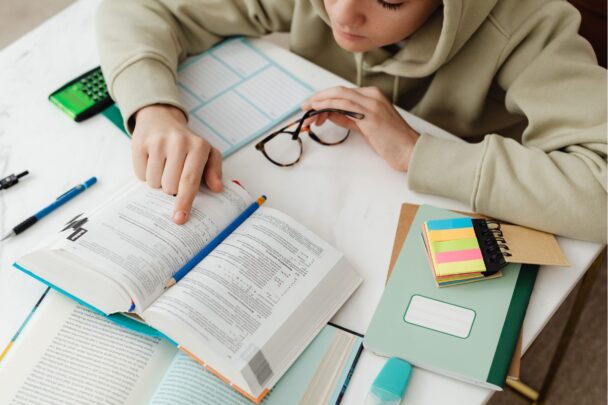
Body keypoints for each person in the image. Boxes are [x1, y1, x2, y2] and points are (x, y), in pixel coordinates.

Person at [96, 0, 607, 242]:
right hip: (322, 205)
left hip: (456, 222)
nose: (342, 15)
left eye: (389, 0)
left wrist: (418, 152)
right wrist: (152, 108)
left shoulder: (530, 22)